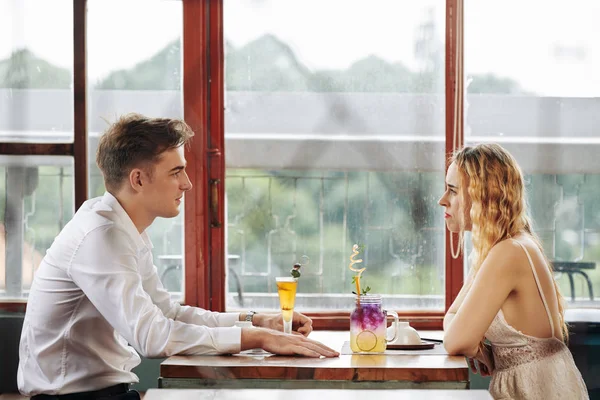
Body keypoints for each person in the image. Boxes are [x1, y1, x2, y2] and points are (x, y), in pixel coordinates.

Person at [17, 113, 338, 400]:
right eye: (176, 172)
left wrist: (256, 322)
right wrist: (256, 338)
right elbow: (152, 337)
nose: (188, 183)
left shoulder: (123, 229)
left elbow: (167, 312)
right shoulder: (101, 235)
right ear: (138, 179)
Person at [439, 143, 588, 399]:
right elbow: (452, 318)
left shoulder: (509, 252)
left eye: (452, 191)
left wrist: (470, 342)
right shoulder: (500, 246)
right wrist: (473, 344)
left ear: (482, 195)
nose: (442, 200)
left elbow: (455, 340)